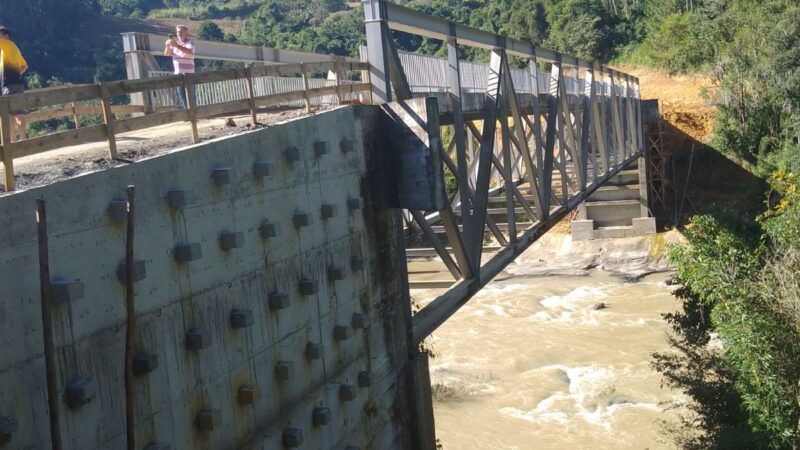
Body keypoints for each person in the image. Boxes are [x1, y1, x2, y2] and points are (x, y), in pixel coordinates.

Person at [0, 26, 28, 142]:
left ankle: (12, 141)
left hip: (8, 84)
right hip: (18, 83)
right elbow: (25, 66)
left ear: (6, 36)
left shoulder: (6, 45)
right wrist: (16, 74)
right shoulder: (14, 49)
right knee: (19, 112)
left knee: (9, 114)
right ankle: (23, 139)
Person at [164, 25, 196, 108]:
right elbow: (167, 53)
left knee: (191, 96)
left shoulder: (190, 41)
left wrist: (177, 46)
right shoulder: (175, 43)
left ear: (186, 33)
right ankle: (187, 113)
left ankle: (194, 113)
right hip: (178, 73)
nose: (179, 33)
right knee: (182, 96)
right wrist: (167, 46)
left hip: (189, 73)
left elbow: (190, 52)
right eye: (178, 32)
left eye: (181, 31)